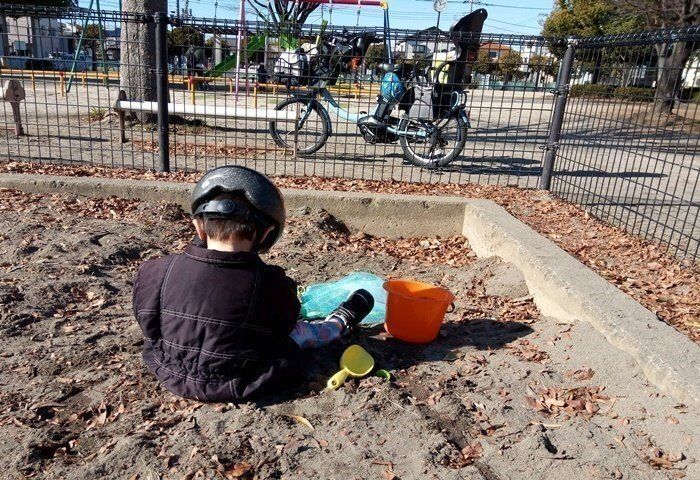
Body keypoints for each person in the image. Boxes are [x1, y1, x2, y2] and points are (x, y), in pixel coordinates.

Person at [132, 166, 374, 402]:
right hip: (240, 381)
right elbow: (284, 327)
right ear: (266, 234)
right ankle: (337, 324)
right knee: (299, 334)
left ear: (197, 226)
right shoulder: (272, 284)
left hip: (170, 370)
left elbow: (148, 323)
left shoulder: (155, 270)